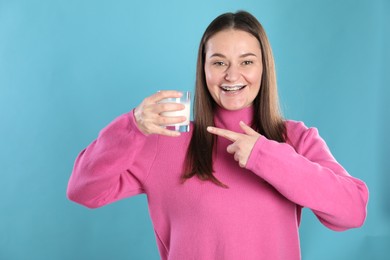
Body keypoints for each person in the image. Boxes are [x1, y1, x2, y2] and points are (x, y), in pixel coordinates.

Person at [67, 10, 369, 260]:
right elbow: (82, 190)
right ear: (204, 69)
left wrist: (265, 156)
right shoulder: (166, 141)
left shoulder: (294, 138)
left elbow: (352, 211)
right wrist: (132, 126)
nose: (232, 75)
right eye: (219, 62)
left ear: (264, 68)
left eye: (247, 62)